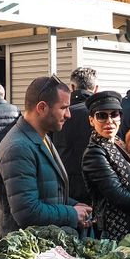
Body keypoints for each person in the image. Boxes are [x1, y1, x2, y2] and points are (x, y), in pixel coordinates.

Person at [0, 76, 92, 244]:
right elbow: (27, 212)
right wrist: (72, 214)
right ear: (42, 108)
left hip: (39, 247)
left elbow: (49, 193)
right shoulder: (18, 148)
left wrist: (75, 204)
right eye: (64, 108)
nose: (69, 114)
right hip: (21, 255)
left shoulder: (41, 137)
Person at [81, 91, 130, 241]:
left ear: (120, 118)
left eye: (114, 114)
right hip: (113, 233)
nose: (109, 121)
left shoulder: (118, 143)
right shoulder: (95, 153)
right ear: (92, 120)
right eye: (102, 116)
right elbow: (117, 195)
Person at [52, 67, 99, 203]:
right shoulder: (103, 115)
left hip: (63, 182)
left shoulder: (58, 113)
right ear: (96, 89)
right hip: (96, 182)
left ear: (72, 87)